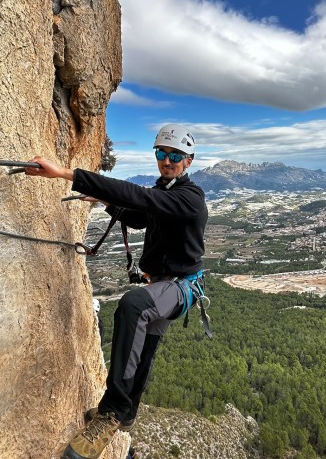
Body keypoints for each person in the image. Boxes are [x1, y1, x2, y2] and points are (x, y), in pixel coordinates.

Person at [25, 124, 208, 459]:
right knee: (144, 350)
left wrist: (67, 174)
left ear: (188, 162)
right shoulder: (165, 192)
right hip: (164, 285)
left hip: (180, 287)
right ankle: (128, 411)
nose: (167, 160)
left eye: (175, 156)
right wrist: (106, 200)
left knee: (134, 305)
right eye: (162, 153)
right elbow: (139, 216)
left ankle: (111, 414)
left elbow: (141, 199)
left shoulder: (189, 198)